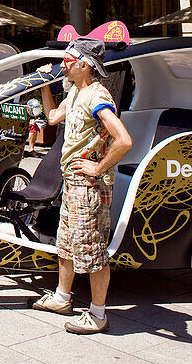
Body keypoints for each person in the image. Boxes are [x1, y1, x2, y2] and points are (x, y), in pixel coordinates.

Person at [30, 38, 132, 335]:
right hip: (73, 183)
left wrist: (99, 167)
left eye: (67, 60)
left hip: (90, 186)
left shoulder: (97, 95)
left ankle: (98, 314)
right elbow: (52, 118)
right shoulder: (76, 91)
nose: (63, 64)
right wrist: (43, 84)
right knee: (66, 243)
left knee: (92, 249)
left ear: (84, 65)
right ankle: (62, 298)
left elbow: (123, 140)